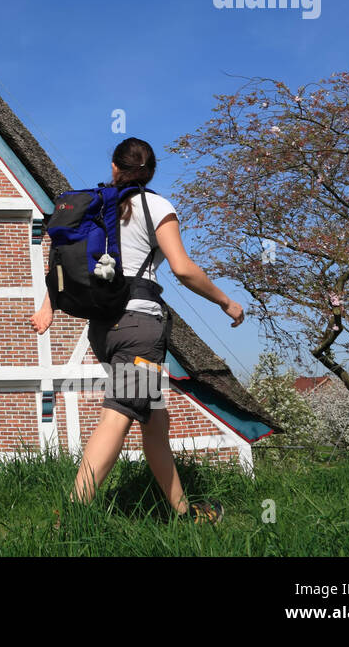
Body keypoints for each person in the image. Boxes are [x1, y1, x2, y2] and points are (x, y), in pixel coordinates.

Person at [30, 137, 244, 523]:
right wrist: (226, 301)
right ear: (151, 172)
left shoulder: (96, 208)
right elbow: (182, 268)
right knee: (120, 412)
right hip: (139, 326)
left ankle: (184, 513)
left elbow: (62, 260)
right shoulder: (156, 205)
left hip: (103, 328)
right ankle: (72, 518)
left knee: (154, 419)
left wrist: (48, 306)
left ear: (114, 168)